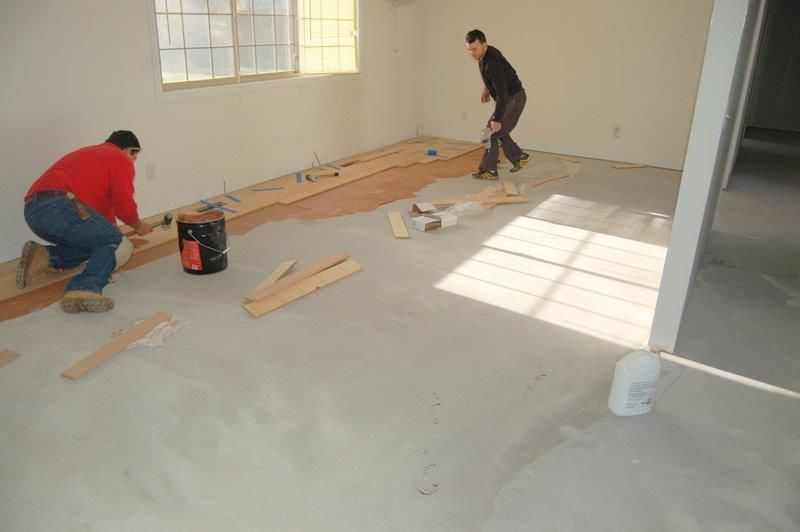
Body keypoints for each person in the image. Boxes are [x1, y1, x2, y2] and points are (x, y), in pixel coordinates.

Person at [17, 130, 152, 313]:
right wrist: (137, 224)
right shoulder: (119, 159)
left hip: (35, 211)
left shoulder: (92, 155)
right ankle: (83, 288)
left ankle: (46, 257)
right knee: (110, 240)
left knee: (96, 244)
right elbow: (123, 202)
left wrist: (118, 238)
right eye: (133, 155)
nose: (133, 160)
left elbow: (105, 217)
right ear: (128, 149)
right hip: (60, 205)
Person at [466, 29, 530, 180]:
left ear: (484, 45)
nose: (472, 53)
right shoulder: (486, 54)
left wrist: (497, 118)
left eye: (474, 49)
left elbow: (501, 93)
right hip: (509, 99)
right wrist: (487, 88)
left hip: (513, 99)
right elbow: (503, 75)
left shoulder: (492, 61)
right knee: (494, 132)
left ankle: (490, 170)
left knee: (491, 133)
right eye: (468, 50)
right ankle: (519, 157)